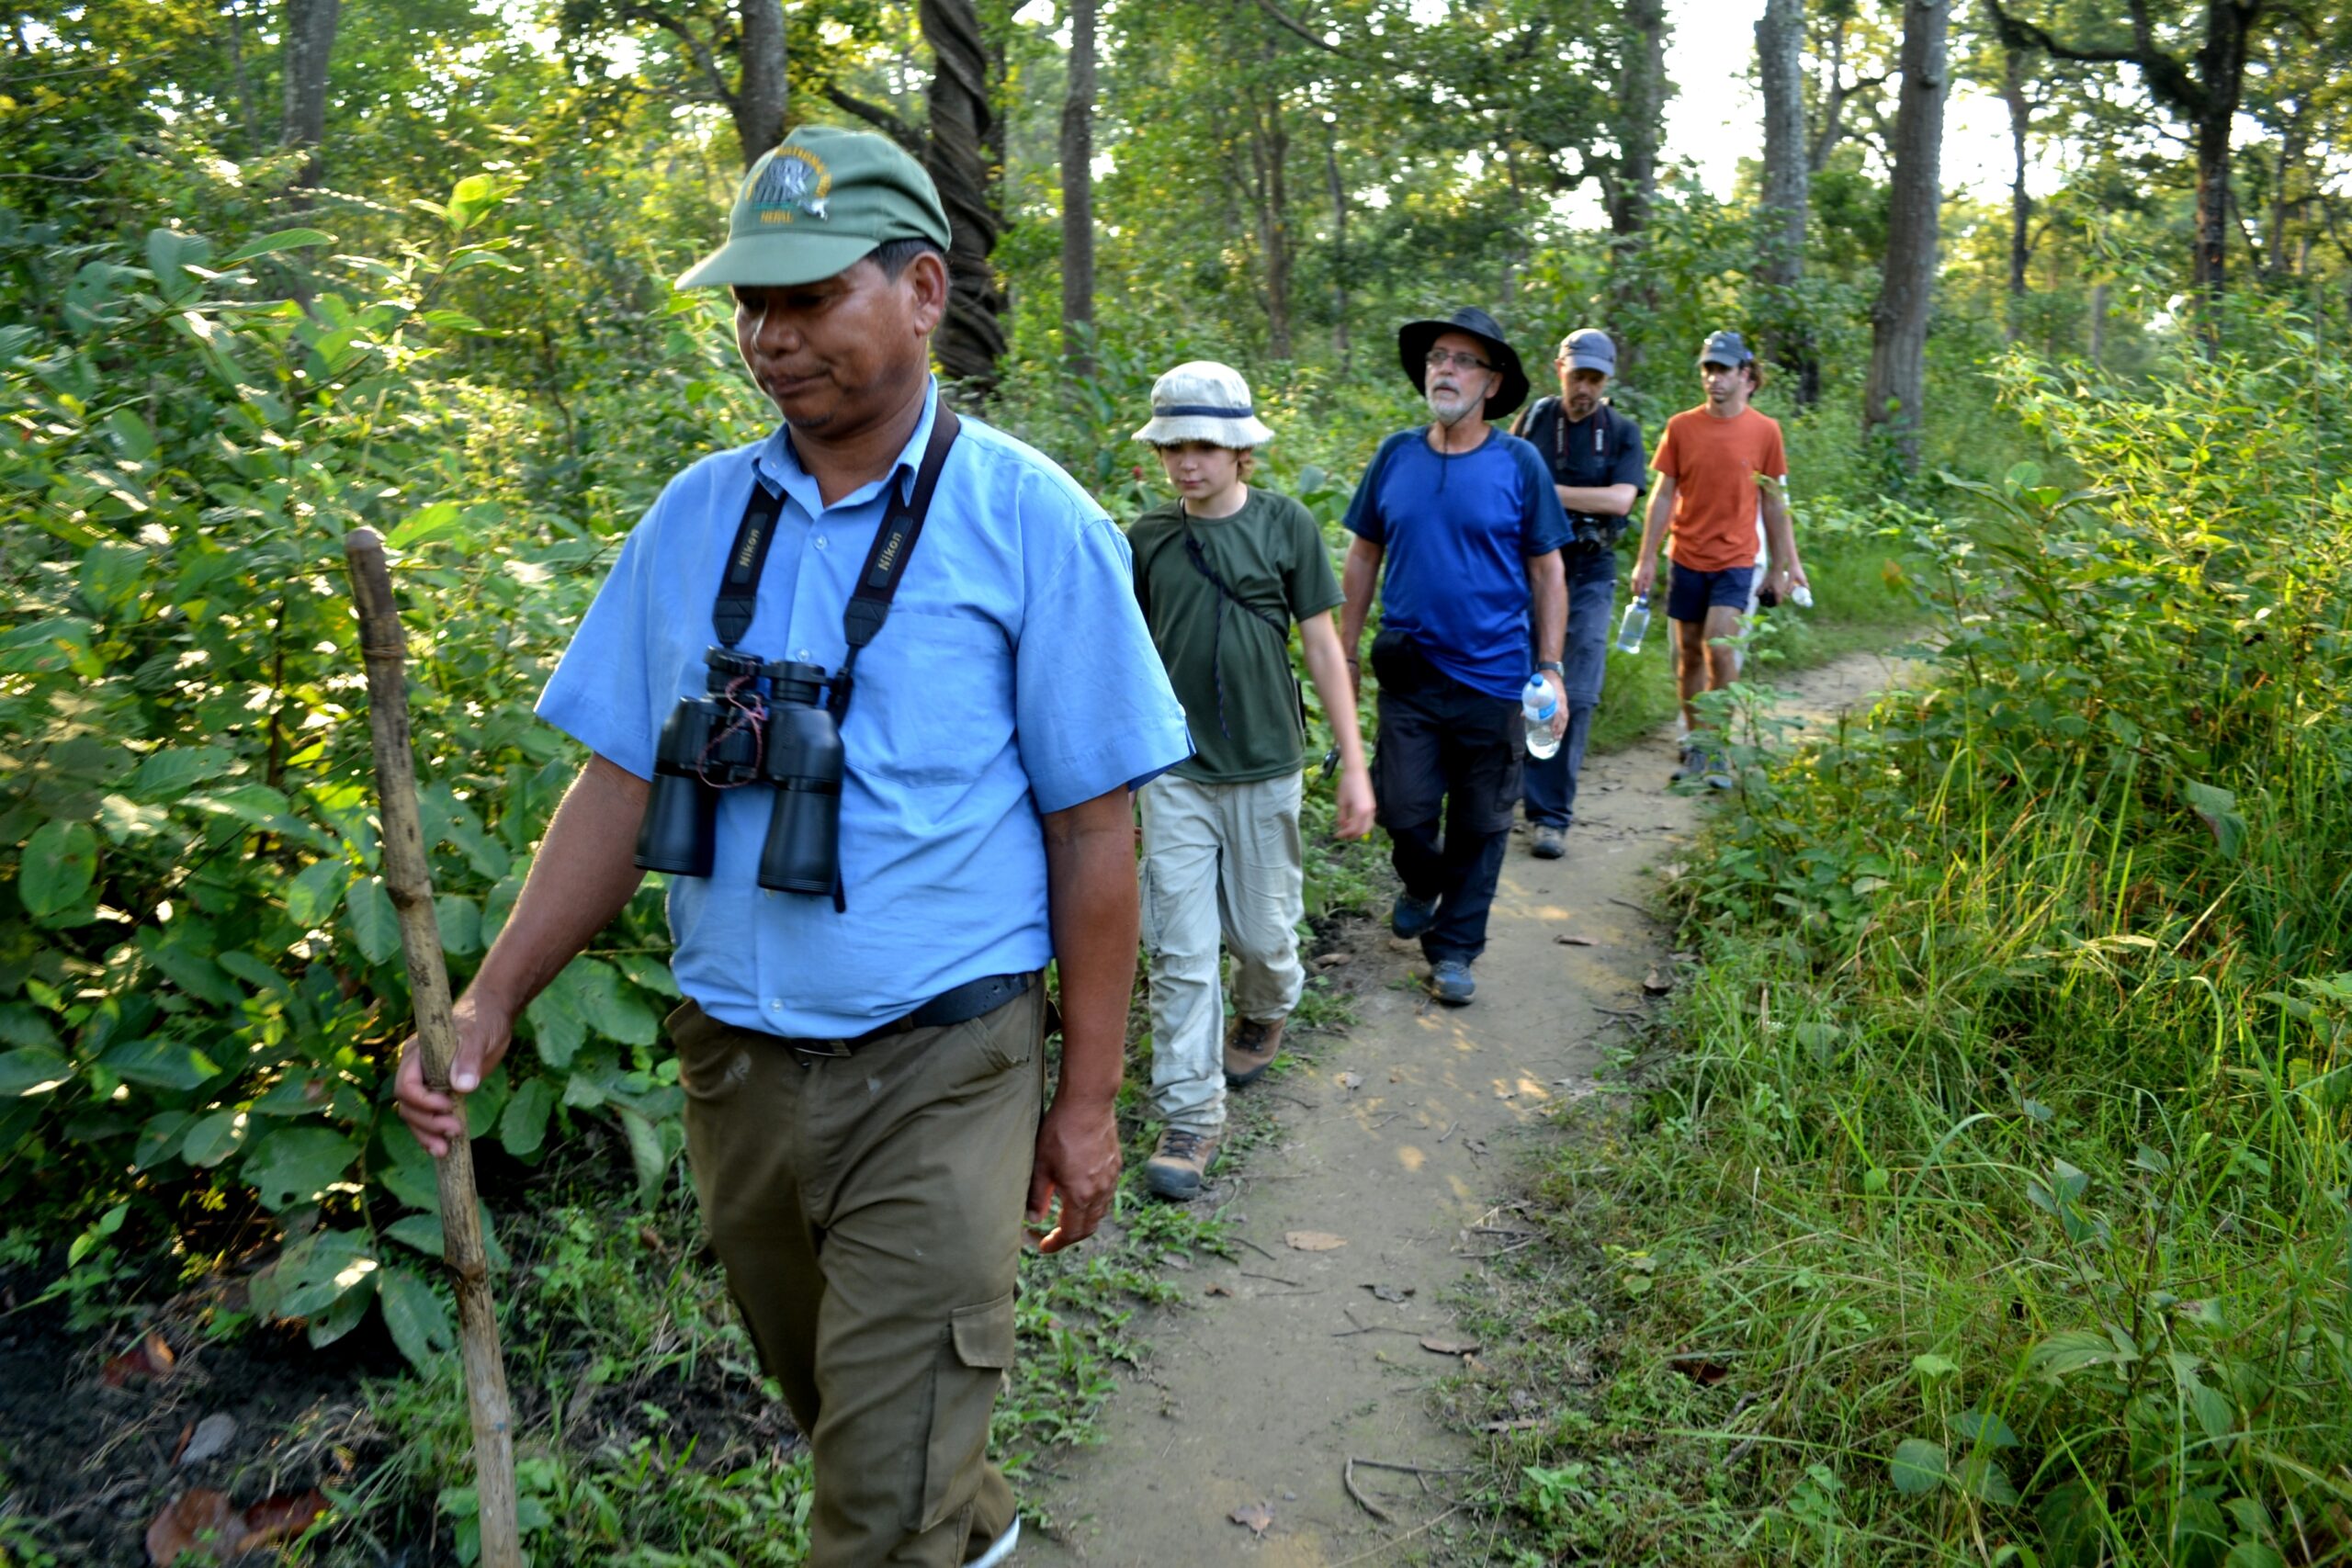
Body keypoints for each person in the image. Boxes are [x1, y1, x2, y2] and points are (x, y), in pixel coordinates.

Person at [390, 126, 1191, 1568]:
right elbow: (619, 783)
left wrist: (1088, 1099)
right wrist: (489, 997)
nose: (770, 337)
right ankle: (977, 1524)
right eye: (752, 305)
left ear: (925, 290)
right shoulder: (698, 518)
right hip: (736, 1069)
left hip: (944, 1066)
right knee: (854, 1412)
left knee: (872, 1513)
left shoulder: (1033, 524)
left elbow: (1095, 831)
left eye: (811, 296)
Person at [1124, 362, 1377, 1200]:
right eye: (1173, 447)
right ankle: (1191, 1117)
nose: (1187, 463)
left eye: (1203, 445)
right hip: (1175, 773)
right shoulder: (1148, 539)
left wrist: (1354, 763)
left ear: (1239, 450)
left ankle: (1267, 1008)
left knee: (1266, 938)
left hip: (1267, 767)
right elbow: (1127, 660)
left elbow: (1322, 645)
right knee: (1181, 949)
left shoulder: (1286, 526)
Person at [1339, 307, 1572, 1007]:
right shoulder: (1396, 454)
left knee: (1482, 823)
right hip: (1410, 671)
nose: (1445, 368)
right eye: (1438, 356)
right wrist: (1344, 650)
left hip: (1497, 679)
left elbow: (1548, 572)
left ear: (1493, 383)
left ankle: (1454, 950)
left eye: (1464, 360)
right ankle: (1420, 880)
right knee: (1403, 812)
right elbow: (1363, 554)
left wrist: (1552, 668)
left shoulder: (1519, 464)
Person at [1627, 329, 1804, 787]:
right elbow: (1663, 495)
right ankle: (1694, 742)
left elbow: (1774, 503)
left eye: (1723, 370)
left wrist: (1783, 567)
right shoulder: (1681, 427)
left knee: (1719, 648)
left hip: (1737, 559)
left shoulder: (1765, 431)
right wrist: (1646, 558)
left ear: (1744, 375)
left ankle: (1718, 747)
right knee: (1687, 656)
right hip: (1686, 557)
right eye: (1708, 369)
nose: (1714, 379)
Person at [1509, 327, 1648, 859]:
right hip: (1529, 566)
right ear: (1559, 370)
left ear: (1607, 380)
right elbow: (1507, 480)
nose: (1584, 388)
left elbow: (1620, 501)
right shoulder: (1537, 419)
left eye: (1594, 378)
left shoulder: (1621, 431)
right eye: (1577, 376)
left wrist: (1544, 490)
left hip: (1590, 569)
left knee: (1578, 690)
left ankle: (1550, 816)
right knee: (1522, 680)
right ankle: (1505, 799)